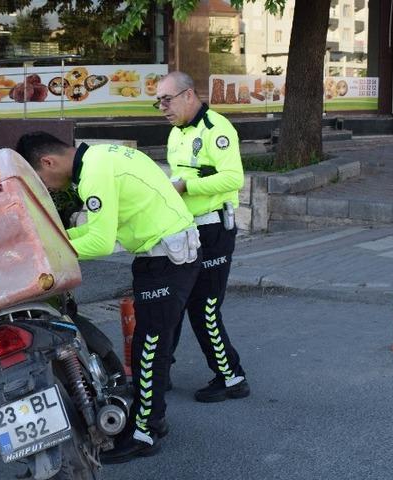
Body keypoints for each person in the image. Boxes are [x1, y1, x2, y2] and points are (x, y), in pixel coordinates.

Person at [16, 132, 201, 463]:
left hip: (166, 260)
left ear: (48, 162)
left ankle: (145, 433)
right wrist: (52, 239)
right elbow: (101, 230)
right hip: (164, 256)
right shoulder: (102, 158)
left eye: (42, 180)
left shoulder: (94, 174)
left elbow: (100, 242)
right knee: (151, 346)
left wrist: (47, 253)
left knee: (150, 349)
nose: (49, 188)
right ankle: (152, 420)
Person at [156, 71, 250, 403]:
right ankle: (159, 375)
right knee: (173, 303)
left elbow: (233, 178)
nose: (162, 107)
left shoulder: (217, 129)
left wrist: (186, 186)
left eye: (167, 99)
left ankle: (231, 376)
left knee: (204, 307)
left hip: (214, 230)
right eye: (158, 102)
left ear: (189, 95)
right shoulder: (175, 134)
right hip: (185, 228)